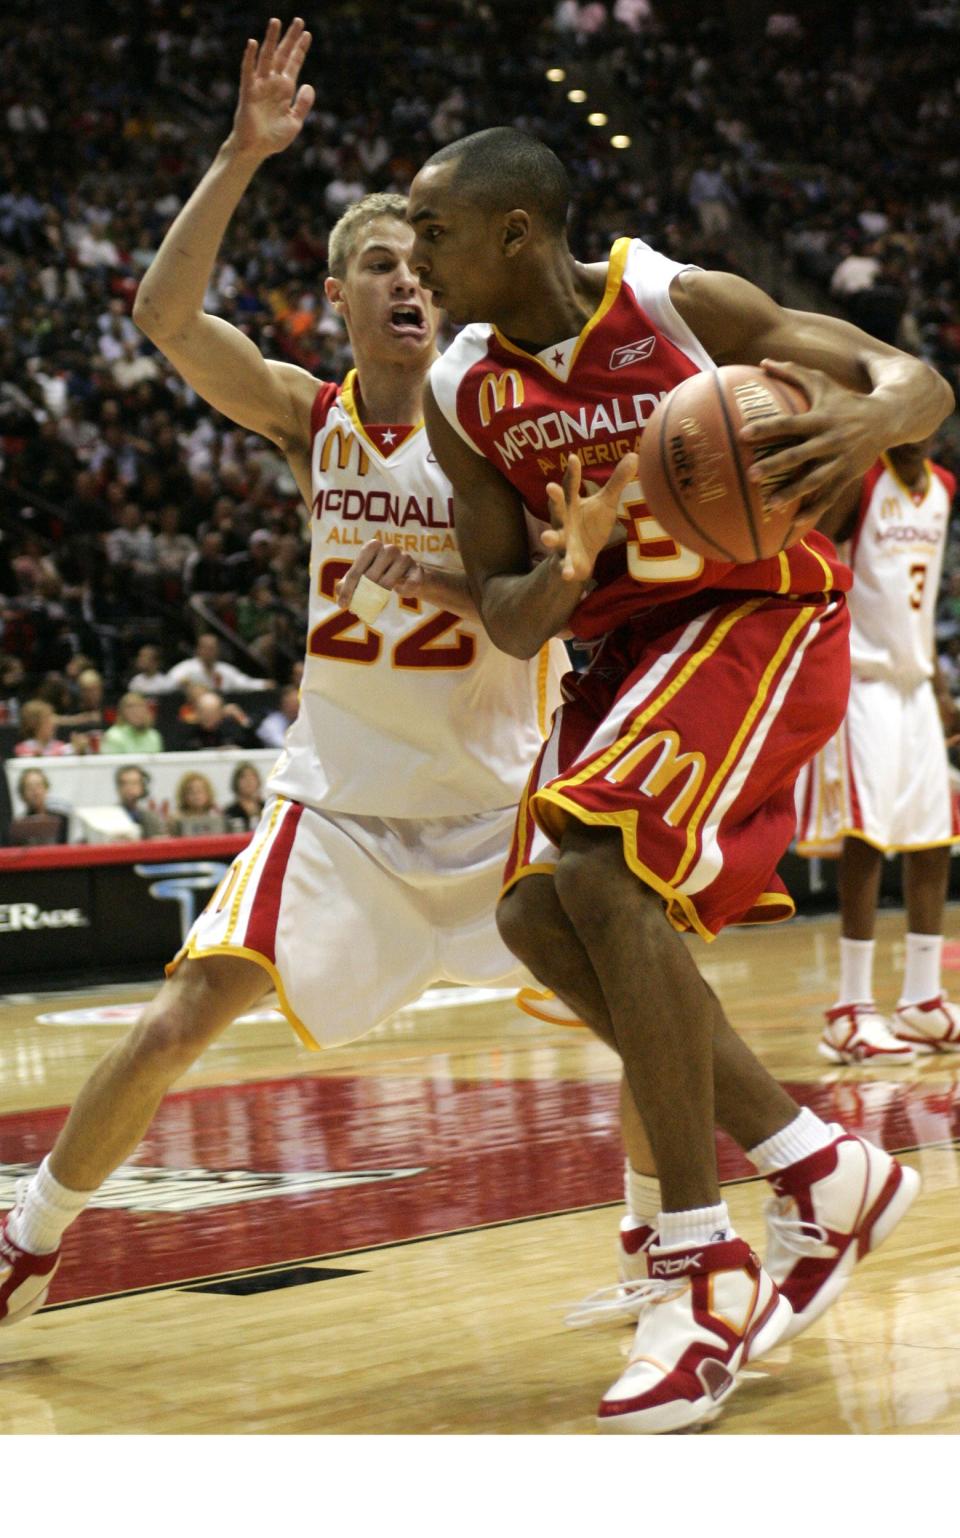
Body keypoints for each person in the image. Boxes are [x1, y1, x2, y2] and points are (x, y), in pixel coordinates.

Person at [0, 23, 563, 1390]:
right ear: (339, 296)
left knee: (644, 1014)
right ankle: (30, 1241)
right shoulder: (306, 415)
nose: (408, 281)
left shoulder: (506, 423)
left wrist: (441, 561)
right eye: (380, 264)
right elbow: (163, 321)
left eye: (423, 263)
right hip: (344, 810)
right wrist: (246, 152)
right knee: (173, 1021)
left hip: (500, 801)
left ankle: (694, 1238)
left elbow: (567, 584)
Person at [407, 126, 953, 1433]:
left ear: (516, 234)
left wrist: (874, 417)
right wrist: (572, 555)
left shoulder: (675, 301)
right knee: (539, 910)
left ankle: (696, 1261)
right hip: (620, 651)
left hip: (758, 616)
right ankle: (819, 1165)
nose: (416, 256)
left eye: (432, 230)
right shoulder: (463, 387)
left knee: (598, 863)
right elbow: (514, 615)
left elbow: (911, 375)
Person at [795, 438, 960, 1063]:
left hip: (915, 684)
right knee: (863, 837)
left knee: (932, 837)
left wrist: (940, 687)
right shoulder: (859, 481)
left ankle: (921, 1000)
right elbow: (809, 539)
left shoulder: (942, 486)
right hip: (859, 680)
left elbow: (915, 598)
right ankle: (849, 1008)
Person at [164, 632, 273, 693]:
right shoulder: (186, 668)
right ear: (198, 650)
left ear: (217, 651)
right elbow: (167, 684)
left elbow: (243, 682)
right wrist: (181, 682)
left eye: (212, 648)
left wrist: (263, 684)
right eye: (205, 648)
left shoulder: (225, 670)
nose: (209, 652)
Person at [179, 688, 258, 751]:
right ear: (197, 712)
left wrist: (243, 719)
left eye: (211, 712)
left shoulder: (232, 729)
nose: (207, 717)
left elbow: (256, 748)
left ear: (221, 713)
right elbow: (180, 752)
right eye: (203, 712)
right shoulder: (189, 731)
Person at [6, 768, 68, 846]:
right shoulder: (18, 826)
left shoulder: (62, 819)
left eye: (38, 786)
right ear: (22, 794)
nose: (35, 792)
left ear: (46, 789)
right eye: (29, 788)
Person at [101, 692, 165, 756]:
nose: (136, 711)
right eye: (130, 707)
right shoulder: (113, 735)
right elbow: (111, 763)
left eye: (140, 706)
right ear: (122, 712)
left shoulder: (153, 736)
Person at [115, 764, 168, 839]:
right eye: (124, 783)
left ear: (142, 787)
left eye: (134, 783)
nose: (129, 788)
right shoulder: (111, 817)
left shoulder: (152, 818)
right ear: (118, 787)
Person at [169, 770, 225, 837]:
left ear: (208, 793)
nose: (196, 796)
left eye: (200, 791)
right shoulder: (176, 820)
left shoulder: (215, 816)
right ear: (183, 795)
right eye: (191, 792)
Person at [223, 761, 265, 832]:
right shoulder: (230, 812)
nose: (248, 781)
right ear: (236, 782)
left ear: (258, 781)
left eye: (252, 777)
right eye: (243, 777)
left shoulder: (267, 807)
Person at [256, 682, 299, 748]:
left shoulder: (304, 720)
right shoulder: (270, 723)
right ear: (282, 704)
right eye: (291, 704)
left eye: (297, 704)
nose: (295, 708)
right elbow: (280, 744)